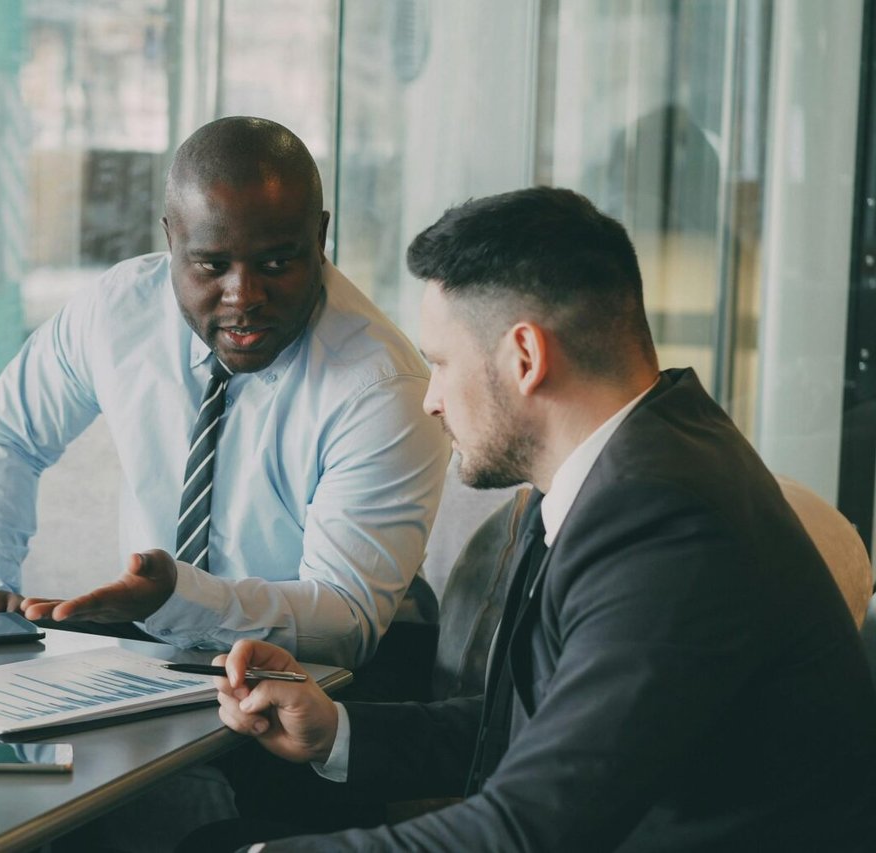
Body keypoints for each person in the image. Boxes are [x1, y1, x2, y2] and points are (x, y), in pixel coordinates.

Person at [203, 186, 876, 851]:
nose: (431, 399)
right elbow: (534, 734)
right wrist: (336, 729)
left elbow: (531, 828)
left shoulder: (669, 521)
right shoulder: (612, 471)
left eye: (439, 363)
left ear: (525, 357)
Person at [0, 116, 449, 668]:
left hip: (334, 680)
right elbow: (10, 431)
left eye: (276, 263)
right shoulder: (118, 312)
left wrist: (180, 599)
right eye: (211, 265)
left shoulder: (382, 387)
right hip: (157, 642)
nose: (244, 297)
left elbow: (345, 621)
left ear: (320, 236)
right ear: (170, 239)